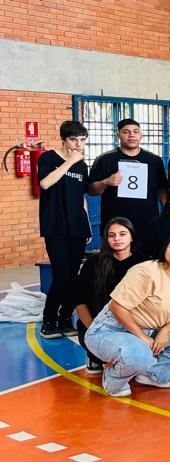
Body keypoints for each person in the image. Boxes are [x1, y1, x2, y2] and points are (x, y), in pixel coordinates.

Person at [84, 232, 170, 397]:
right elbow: (116, 307)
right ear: (165, 249)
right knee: (139, 354)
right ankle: (113, 381)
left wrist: (165, 331)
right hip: (111, 329)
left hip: (151, 330)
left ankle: (151, 374)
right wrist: (142, 336)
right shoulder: (147, 271)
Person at [37, 120, 92, 339]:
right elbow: (45, 183)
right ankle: (49, 319)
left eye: (82, 140)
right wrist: (69, 162)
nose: (78, 144)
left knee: (73, 277)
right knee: (61, 276)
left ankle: (66, 317)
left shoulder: (82, 166)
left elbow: (81, 197)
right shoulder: (48, 158)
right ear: (63, 139)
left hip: (77, 226)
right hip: (55, 226)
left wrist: (87, 226)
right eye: (73, 139)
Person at [73, 218, 147, 373]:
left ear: (131, 237)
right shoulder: (93, 263)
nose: (117, 239)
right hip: (98, 326)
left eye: (122, 234)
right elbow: (79, 301)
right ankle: (95, 358)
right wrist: (94, 331)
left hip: (132, 325)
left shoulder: (144, 263)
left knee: (140, 356)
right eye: (112, 235)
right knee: (118, 354)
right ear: (106, 239)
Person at [87, 118, 167, 232]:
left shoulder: (155, 160)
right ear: (118, 135)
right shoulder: (104, 160)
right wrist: (106, 182)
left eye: (135, 131)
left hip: (148, 222)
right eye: (126, 132)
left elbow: (162, 189)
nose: (131, 135)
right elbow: (91, 190)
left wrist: (168, 212)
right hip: (115, 224)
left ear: (141, 135)